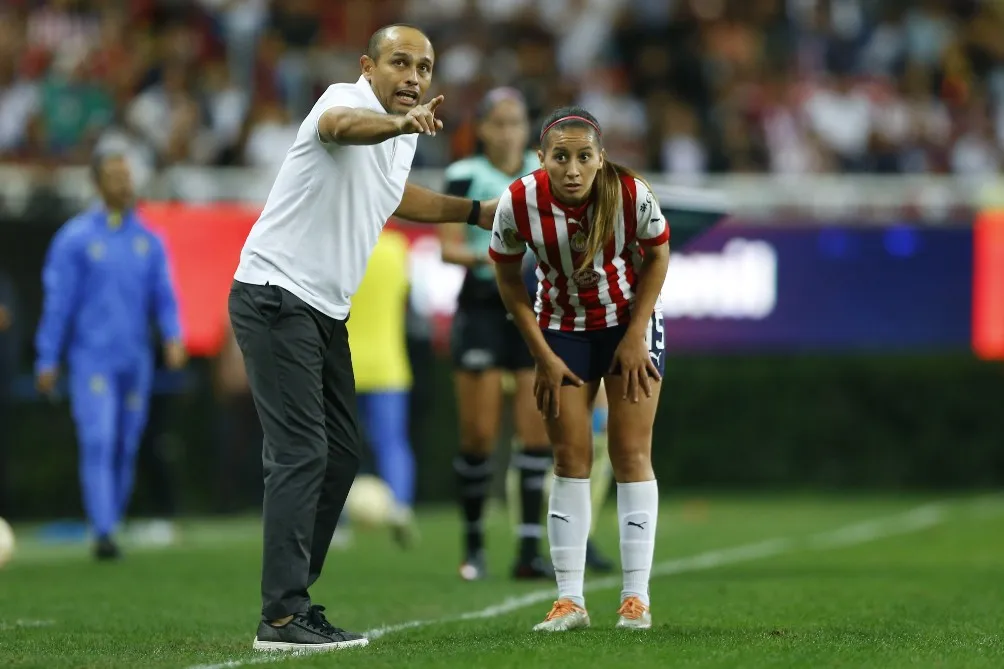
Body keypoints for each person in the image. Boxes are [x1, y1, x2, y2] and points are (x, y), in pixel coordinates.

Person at [227, 24, 498, 653]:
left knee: (342, 454)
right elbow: (342, 131)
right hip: (276, 294)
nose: (412, 76)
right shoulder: (340, 101)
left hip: (322, 308)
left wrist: (476, 213)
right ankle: (283, 615)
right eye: (399, 62)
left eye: (424, 67)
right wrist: (402, 127)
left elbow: (392, 197)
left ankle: (293, 602)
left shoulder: (399, 134)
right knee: (300, 453)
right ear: (366, 66)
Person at [490, 107, 670, 632]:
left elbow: (658, 257)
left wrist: (636, 335)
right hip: (560, 327)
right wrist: (542, 354)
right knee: (569, 456)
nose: (572, 168)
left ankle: (635, 599)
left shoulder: (631, 193)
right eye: (560, 157)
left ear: (601, 159)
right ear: (541, 158)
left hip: (627, 322)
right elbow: (507, 279)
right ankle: (569, 601)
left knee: (630, 451)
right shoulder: (518, 201)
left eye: (583, 157)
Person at [34, 150, 187, 560]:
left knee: (125, 444)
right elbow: (58, 303)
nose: (125, 183)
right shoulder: (75, 239)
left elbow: (164, 297)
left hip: (134, 361)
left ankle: (109, 524)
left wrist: (173, 336)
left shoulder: (148, 240)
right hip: (92, 360)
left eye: (127, 175)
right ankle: (103, 531)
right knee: (98, 439)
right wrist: (47, 358)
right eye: (116, 176)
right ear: (98, 184)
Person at [439, 87, 556, 581]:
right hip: (485, 303)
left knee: (534, 434)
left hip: (533, 303)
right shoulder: (465, 175)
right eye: (499, 122)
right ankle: (473, 547)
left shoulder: (546, 172)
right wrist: (503, 255)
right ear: (483, 128)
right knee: (479, 433)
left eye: (516, 121)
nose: (509, 131)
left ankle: (528, 552)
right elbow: (449, 248)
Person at [519, 254, 615, 574]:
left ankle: (580, 533)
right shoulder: (543, 229)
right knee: (562, 447)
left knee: (595, 443)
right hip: (559, 334)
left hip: (593, 328)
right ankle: (550, 536)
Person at [346, 228, 418, 547]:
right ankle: (400, 507)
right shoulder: (396, 249)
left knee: (335, 444)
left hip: (341, 362)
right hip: (388, 362)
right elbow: (408, 298)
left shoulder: (338, 246)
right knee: (392, 442)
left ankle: (332, 520)